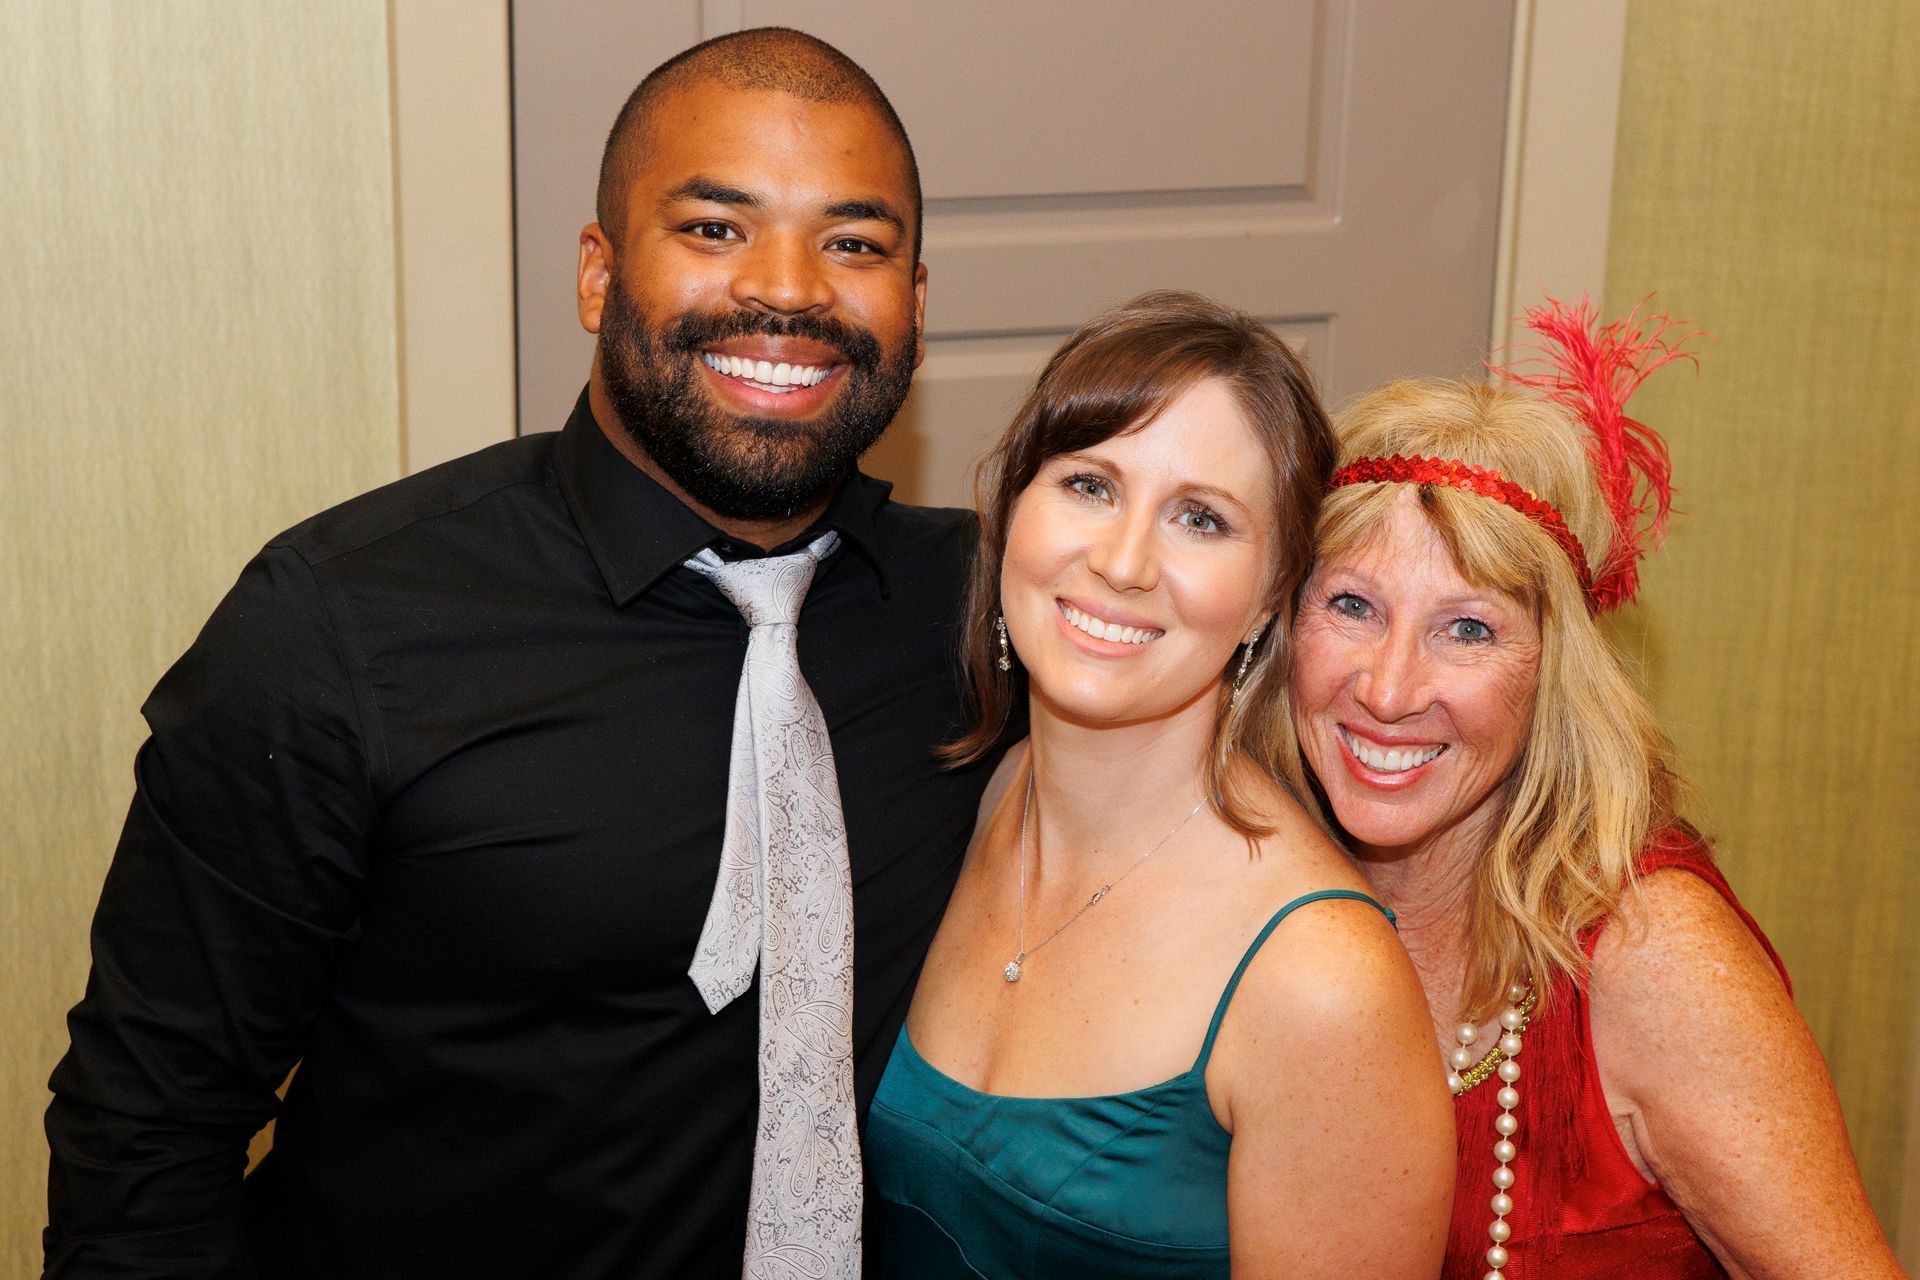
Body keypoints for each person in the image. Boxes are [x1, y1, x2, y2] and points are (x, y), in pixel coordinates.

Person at [44, 28, 1002, 1280]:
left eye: (856, 243)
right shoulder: (340, 627)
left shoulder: (993, 611)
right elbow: (149, 1132)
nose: (790, 289)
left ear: (917, 305)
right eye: (715, 228)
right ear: (599, 275)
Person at [1287, 299, 1905, 1278]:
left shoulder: (1655, 960)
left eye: (1468, 628)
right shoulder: (1255, 874)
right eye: (1354, 605)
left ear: (1552, 673)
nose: (1390, 688)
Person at [863, 291, 1455, 1278]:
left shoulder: (1321, 981)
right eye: (1090, 486)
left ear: (1271, 596)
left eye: (1200, 517)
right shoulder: (971, 799)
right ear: (1012, 509)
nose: (1124, 561)